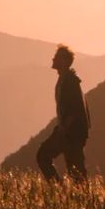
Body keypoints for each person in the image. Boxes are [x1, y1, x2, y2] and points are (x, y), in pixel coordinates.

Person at [35, 44, 90, 182]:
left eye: (57, 57)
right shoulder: (67, 79)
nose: (53, 59)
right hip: (69, 131)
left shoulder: (70, 81)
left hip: (71, 132)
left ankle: (61, 191)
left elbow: (75, 109)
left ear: (64, 61)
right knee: (74, 169)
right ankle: (63, 193)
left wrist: (64, 129)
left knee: (47, 157)